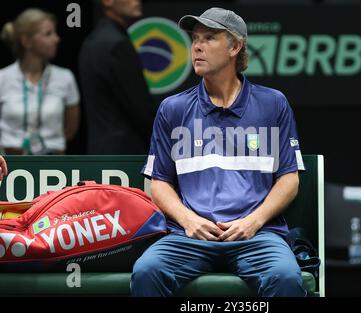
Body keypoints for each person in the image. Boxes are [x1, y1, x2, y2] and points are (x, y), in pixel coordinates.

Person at [132, 7, 307, 297]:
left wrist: (254, 221)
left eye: (210, 38)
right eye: (195, 38)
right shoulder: (173, 108)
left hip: (258, 236)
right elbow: (158, 182)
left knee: (286, 277)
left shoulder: (273, 103)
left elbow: (289, 179)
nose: (197, 46)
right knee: (147, 271)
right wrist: (189, 220)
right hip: (188, 236)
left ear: (235, 47)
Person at [78, 0, 154, 154]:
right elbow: (141, 111)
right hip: (124, 156)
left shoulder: (93, 40)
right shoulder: (116, 44)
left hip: (100, 151)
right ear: (108, 2)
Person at [0, 8, 80, 155]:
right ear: (27, 41)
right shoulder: (3, 78)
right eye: (48, 34)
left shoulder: (65, 77)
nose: (57, 39)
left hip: (53, 163)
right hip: (10, 163)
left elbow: (71, 129)